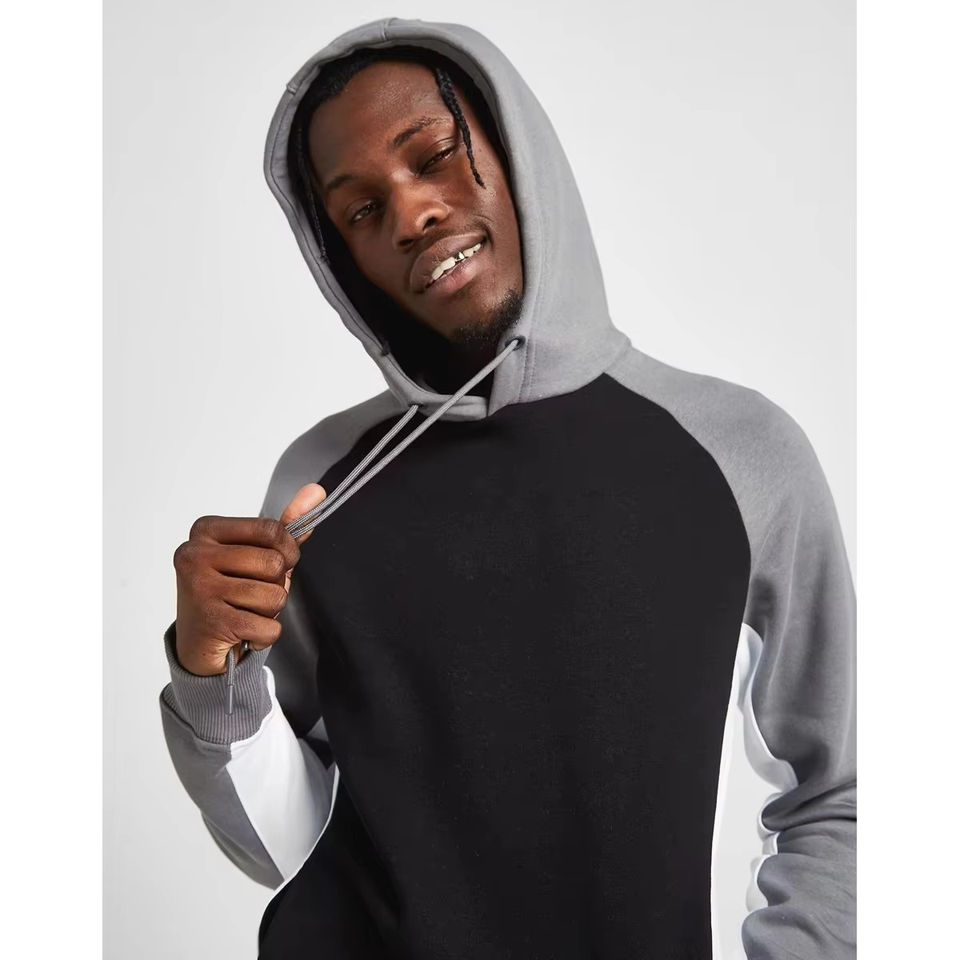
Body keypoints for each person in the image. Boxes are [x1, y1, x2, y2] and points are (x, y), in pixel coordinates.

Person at [159, 17, 856, 960]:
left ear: (515, 148)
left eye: (435, 156)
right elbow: (285, 845)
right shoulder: (323, 486)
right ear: (338, 255)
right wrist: (211, 674)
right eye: (360, 211)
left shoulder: (739, 452)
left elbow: (837, 796)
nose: (411, 214)